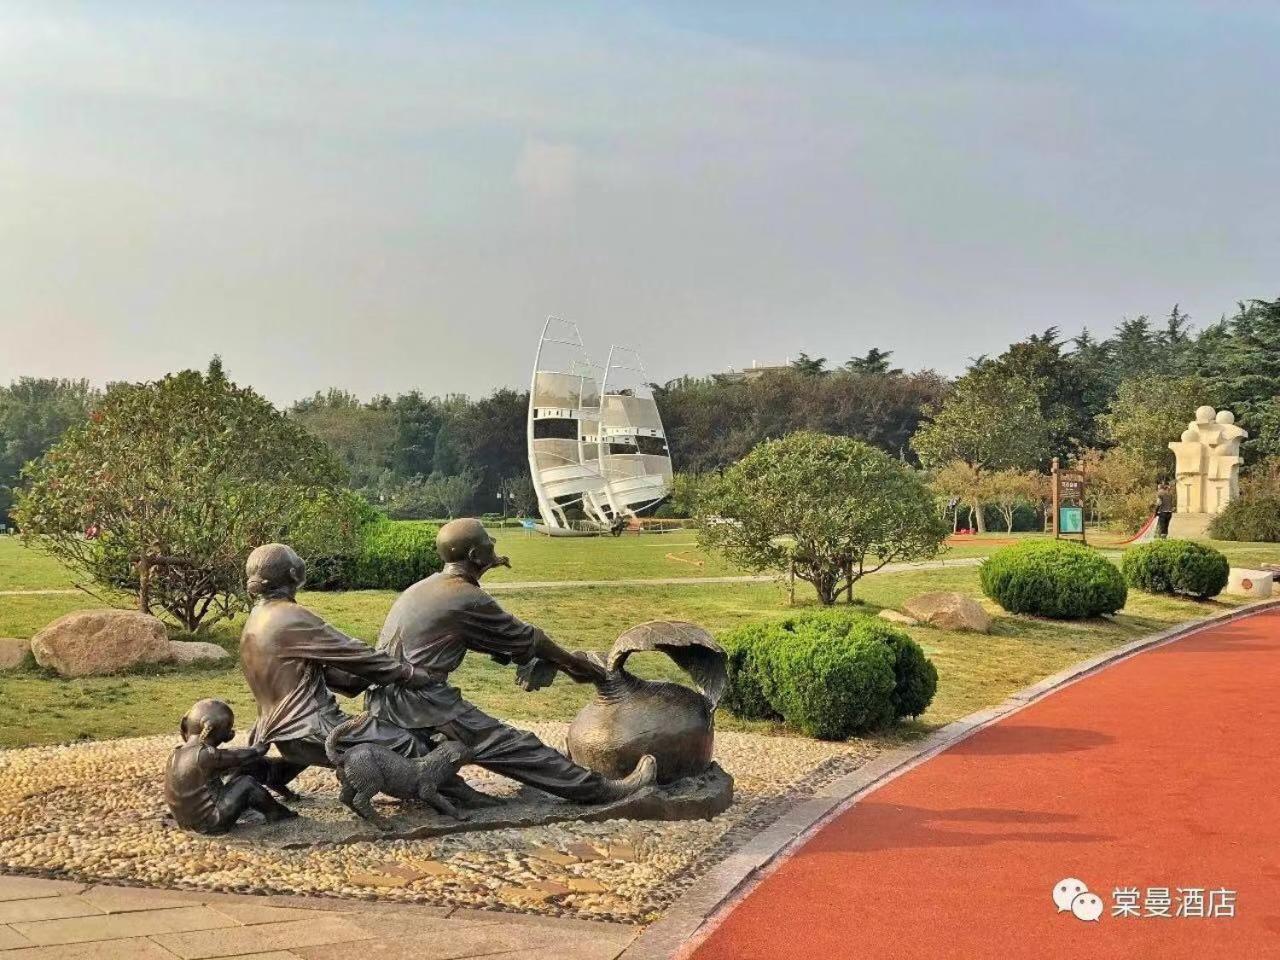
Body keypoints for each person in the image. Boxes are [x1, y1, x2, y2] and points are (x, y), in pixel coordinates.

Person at [365, 518, 657, 804]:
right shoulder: (466, 598)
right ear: (474, 555)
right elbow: (532, 640)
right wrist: (576, 667)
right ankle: (601, 790)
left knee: (463, 743)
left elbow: (487, 639)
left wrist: (529, 660)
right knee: (509, 743)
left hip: (384, 697)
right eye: (487, 540)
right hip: (420, 702)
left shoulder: (426, 586)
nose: (493, 542)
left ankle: (451, 791)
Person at [238, 542, 497, 804]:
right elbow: (354, 653)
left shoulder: (258, 617)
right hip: (309, 727)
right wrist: (406, 673)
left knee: (370, 728)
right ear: (294, 574)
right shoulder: (291, 618)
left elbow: (327, 672)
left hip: (280, 728)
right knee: (408, 744)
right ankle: (453, 797)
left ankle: (271, 772)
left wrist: (364, 678)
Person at [165, 699, 297, 834]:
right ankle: (276, 813)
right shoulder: (206, 755)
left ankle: (246, 805)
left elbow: (231, 758)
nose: (231, 732)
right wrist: (261, 743)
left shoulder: (176, 753)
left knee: (238, 772)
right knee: (246, 784)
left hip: (186, 821)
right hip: (210, 823)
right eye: (229, 727)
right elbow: (245, 754)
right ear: (211, 728)